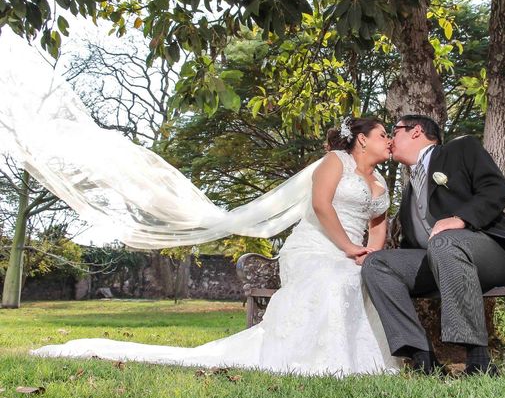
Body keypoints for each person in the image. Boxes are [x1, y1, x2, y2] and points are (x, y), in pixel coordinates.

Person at [32, 117, 404, 376]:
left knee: (365, 281)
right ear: (362, 139)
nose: (389, 140)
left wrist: (369, 255)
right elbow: (322, 206)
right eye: (384, 133)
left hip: (353, 254)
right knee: (333, 280)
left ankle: (369, 362)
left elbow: (377, 224)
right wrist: (347, 248)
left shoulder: (381, 183)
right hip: (316, 247)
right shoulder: (333, 162)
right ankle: (321, 359)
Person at [362, 115, 505, 376]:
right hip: (438, 259)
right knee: (377, 264)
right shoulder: (409, 189)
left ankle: (478, 360)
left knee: (446, 240)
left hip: (492, 255)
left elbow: (496, 189)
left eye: (394, 131)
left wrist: (460, 218)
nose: (391, 140)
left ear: (416, 131)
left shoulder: (461, 149)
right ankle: (423, 358)